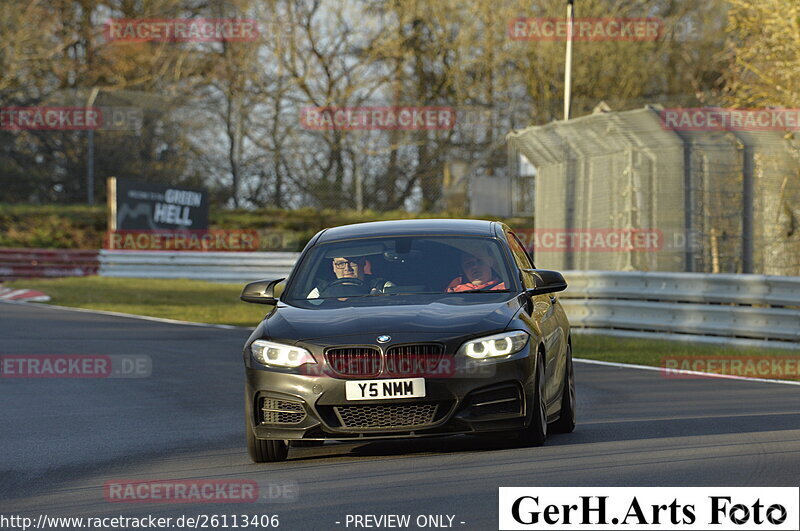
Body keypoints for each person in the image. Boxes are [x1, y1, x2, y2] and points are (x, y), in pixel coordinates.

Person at [307, 256, 394, 298]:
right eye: (340, 264)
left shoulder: (382, 287)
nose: (347, 268)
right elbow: (308, 312)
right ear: (334, 266)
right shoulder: (321, 290)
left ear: (363, 263)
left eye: (353, 262)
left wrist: (379, 300)